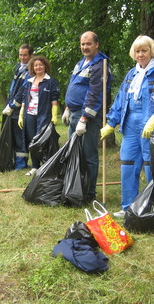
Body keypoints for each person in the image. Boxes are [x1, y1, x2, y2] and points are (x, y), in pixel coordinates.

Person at [100, 35, 154, 217]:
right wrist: (111, 122)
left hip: (151, 127)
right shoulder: (131, 75)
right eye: (137, 51)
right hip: (131, 127)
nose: (140, 54)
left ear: (152, 51)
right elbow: (120, 100)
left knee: (152, 166)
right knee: (128, 164)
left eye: (144, 50)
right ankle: (128, 207)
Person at [62, 31, 111, 202]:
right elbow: (74, 84)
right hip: (74, 114)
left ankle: (89, 194)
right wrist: (67, 107)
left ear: (96, 44)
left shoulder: (100, 66)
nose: (85, 47)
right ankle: (76, 187)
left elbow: (95, 94)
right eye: (83, 44)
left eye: (88, 44)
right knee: (73, 152)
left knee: (89, 155)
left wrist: (84, 119)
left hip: (87, 118)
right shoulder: (81, 63)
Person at [17, 56, 60, 176]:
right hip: (29, 115)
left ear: (45, 66)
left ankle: (47, 166)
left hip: (44, 115)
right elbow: (25, 99)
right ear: (32, 68)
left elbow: (54, 100)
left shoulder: (51, 81)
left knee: (43, 140)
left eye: (40, 65)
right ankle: (35, 166)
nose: (38, 67)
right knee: (32, 141)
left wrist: (54, 115)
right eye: (36, 65)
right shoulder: (29, 82)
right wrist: (21, 115)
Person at [2, 44, 33, 170]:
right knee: (15, 136)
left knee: (21, 137)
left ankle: (21, 164)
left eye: (25, 55)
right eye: (20, 54)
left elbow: (24, 91)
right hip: (13, 108)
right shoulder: (19, 68)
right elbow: (13, 88)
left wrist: (12, 106)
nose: (22, 57)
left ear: (31, 55)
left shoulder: (31, 70)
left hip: (21, 109)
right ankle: (17, 162)